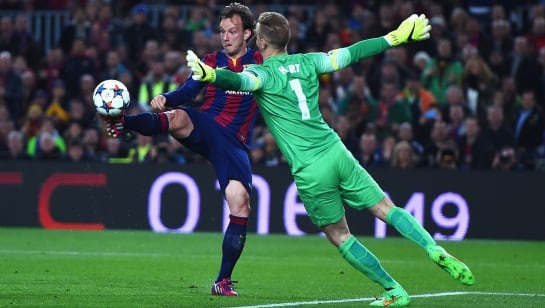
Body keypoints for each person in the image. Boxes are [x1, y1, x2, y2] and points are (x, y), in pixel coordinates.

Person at [187, 12, 474, 306]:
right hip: (335, 149)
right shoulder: (311, 61)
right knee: (387, 208)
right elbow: (353, 53)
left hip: (311, 169)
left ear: (260, 41)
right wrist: (394, 38)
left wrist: (210, 75)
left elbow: (238, 80)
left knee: (340, 235)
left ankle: (394, 290)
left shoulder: (263, 73)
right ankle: (432, 246)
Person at [101, 2, 261, 297]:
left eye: (233, 31)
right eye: (223, 31)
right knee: (177, 116)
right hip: (206, 125)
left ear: (248, 34)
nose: (226, 37)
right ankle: (122, 121)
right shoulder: (211, 60)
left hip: (233, 143)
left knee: (240, 203)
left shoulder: (263, 62)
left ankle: (222, 281)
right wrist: (166, 97)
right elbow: (188, 91)